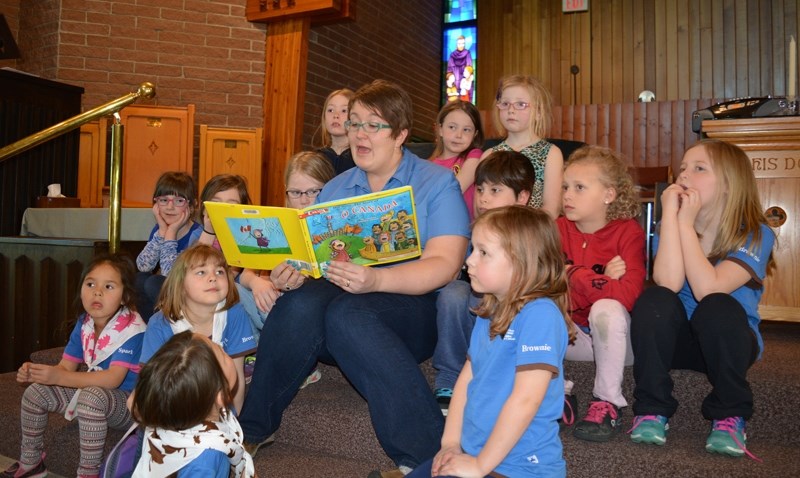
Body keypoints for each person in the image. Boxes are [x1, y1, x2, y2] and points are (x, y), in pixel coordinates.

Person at [238, 79, 470, 475]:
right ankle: (250, 430)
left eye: (373, 125)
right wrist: (292, 273)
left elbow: (445, 265)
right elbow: (313, 260)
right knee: (301, 302)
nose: (360, 134)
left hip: (414, 311)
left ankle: (428, 457)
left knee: (349, 312)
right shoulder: (335, 188)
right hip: (342, 307)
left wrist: (377, 280)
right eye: (355, 123)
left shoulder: (436, 182)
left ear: (400, 135)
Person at [628, 140, 775, 460]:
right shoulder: (672, 224)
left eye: (698, 169)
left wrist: (681, 223)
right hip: (680, 342)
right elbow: (667, 283)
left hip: (728, 344)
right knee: (654, 299)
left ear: (728, 184)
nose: (684, 176)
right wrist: (674, 222)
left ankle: (729, 416)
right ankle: (652, 411)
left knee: (717, 305)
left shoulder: (756, 232)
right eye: (682, 168)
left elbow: (708, 290)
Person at [408, 206, 574, 478]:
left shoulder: (540, 315)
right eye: (472, 250)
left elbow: (526, 400)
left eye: (483, 253)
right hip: (476, 456)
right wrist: (451, 443)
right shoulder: (490, 311)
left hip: (521, 469)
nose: (469, 261)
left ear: (522, 262)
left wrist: (480, 465)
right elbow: (466, 379)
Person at [5, 254, 146, 478]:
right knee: (35, 393)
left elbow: (113, 379)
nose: (97, 292)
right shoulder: (85, 323)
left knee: (92, 397)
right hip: (95, 396)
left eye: (108, 286)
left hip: (129, 405)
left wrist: (58, 377)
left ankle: (87, 473)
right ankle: (31, 463)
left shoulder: (133, 329)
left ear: (124, 296)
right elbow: (66, 368)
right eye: (90, 284)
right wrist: (38, 375)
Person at [432, 150, 536, 415]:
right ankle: (449, 377)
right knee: (453, 293)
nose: (484, 198)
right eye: (480, 189)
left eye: (495, 190)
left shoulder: (531, 235)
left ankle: (504, 379)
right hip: (474, 308)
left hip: (513, 313)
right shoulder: (472, 228)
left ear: (522, 197)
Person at [557, 146, 646, 441]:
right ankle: (557, 394)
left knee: (606, 308)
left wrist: (574, 276)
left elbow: (629, 295)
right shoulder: (556, 229)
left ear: (608, 195)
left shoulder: (627, 232)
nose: (567, 195)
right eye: (565, 187)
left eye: (579, 188)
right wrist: (597, 279)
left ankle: (607, 402)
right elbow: (545, 287)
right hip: (572, 337)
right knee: (537, 307)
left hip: (618, 340)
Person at [139, 244, 256, 414]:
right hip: (170, 406)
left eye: (220, 272)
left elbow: (236, 376)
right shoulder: (159, 323)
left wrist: (234, 426)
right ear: (180, 284)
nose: (213, 278)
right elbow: (148, 385)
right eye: (201, 272)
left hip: (218, 407)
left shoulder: (234, 313)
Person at [131, 331, 255, 477]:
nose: (224, 350)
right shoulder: (205, 462)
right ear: (220, 396)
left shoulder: (165, 418)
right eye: (222, 352)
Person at [484, 74, 563, 219]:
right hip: (494, 230)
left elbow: (552, 209)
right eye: (505, 104)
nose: (511, 110)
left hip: (531, 234)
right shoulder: (489, 154)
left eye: (521, 104)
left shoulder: (551, 154)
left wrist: (521, 231)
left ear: (538, 113)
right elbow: (480, 203)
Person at [136, 171, 201, 321]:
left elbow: (170, 274)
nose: (170, 207)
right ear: (155, 204)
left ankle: (170, 327)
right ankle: (150, 329)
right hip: (167, 297)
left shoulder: (197, 235)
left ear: (191, 206)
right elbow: (143, 266)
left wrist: (171, 232)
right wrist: (162, 232)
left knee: (154, 283)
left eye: (179, 201)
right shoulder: (159, 230)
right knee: (139, 279)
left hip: (187, 297)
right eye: (164, 200)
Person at [429, 100, 485, 221]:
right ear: (440, 129)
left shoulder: (474, 157)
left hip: (464, 229)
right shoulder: (427, 165)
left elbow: (455, 189)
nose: (458, 135)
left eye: (466, 130)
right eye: (452, 127)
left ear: (475, 134)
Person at [192, 174, 253, 250]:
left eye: (231, 205)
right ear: (203, 207)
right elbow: (198, 261)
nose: (223, 210)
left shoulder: (246, 235)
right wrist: (209, 232)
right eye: (216, 203)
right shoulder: (197, 234)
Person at [316, 88, 356, 175]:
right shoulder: (316, 158)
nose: (336, 115)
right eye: (330, 110)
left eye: (344, 110)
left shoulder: (361, 158)